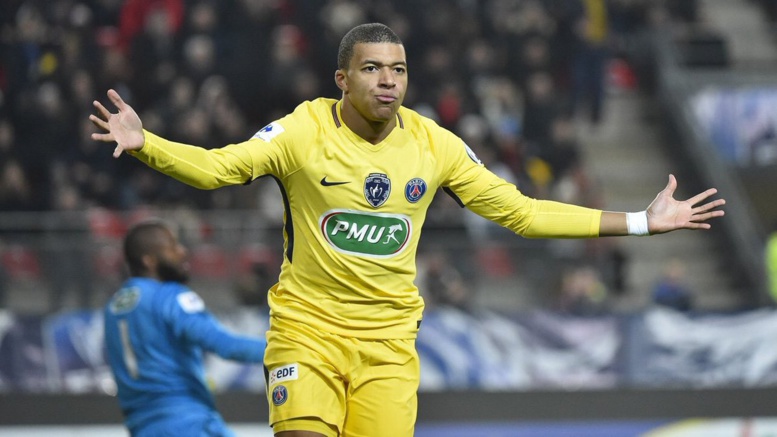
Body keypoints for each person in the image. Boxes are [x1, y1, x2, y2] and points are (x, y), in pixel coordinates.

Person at [90, 22, 725, 437]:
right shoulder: (302, 131)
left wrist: (641, 222)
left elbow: (523, 212)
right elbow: (219, 169)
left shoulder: (434, 144)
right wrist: (149, 145)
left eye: (397, 68)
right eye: (371, 68)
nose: (388, 79)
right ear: (342, 80)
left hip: (389, 345)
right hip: (307, 333)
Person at [103, 219, 266, 437]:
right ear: (149, 261)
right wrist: (289, 349)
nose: (182, 251)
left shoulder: (114, 307)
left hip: (142, 428)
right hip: (187, 423)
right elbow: (225, 345)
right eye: (172, 247)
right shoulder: (169, 296)